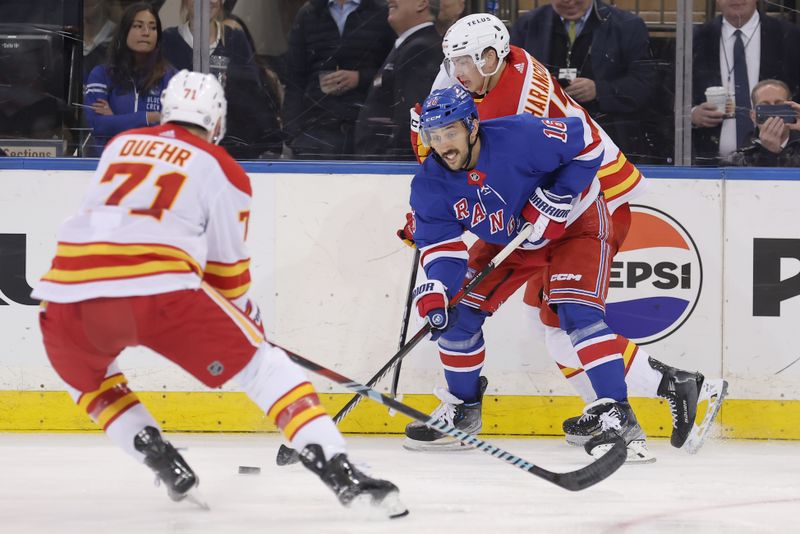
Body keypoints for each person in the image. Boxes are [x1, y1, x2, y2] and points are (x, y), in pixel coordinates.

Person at [31, 70, 407, 519]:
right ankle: (340, 469)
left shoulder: (118, 147)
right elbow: (228, 275)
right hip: (158, 290)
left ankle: (161, 459)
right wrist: (252, 335)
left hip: (65, 299)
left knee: (93, 383)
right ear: (217, 120)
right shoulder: (221, 167)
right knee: (265, 369)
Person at [401, 14, 726, 461]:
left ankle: (624, 405)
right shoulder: (484, 70)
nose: (456, 72)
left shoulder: (513, 116)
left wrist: (558, 196)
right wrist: (432, 223)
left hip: (585, 200)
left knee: (569, 317)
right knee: (534, 323)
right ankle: (663, 389)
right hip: (520, 211)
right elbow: (441, 138)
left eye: (464, 63)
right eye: (452, 62)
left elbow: (576, 147)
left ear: (490, 58)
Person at [404, 83, 651, 461]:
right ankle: (463, 410)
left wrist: (560, 193)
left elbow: (587, 141)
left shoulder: (520, 135)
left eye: (450, 132)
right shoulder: (429, 184)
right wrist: (438, 289)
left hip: (574, 223)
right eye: (433, 136)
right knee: (458, 315)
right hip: (514, 239)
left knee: (576, 311)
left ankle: (619, 416)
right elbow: (444, 250)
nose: (442, 145)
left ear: (472, 127)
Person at [510, 0, 659, 160]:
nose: (570, 2)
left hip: (609, 142)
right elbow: (508, 81)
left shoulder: (628, 26)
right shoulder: (527, 25)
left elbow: (644, 84)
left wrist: (599, 90)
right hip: (542, 140)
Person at [161, 0, 283, 158]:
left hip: (232, 150)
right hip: (180, 149)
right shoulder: (169, 40)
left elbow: (254, 99)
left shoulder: (236, 39)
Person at [282, 0, 395, 158]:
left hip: (367, 132)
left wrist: (360, 78)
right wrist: (294, 135)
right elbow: (294, 79)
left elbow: (395, 71)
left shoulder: (381, 11)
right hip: (316, 134)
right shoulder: (308, 13)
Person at [691, 0, 800, 163]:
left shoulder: (790, 36)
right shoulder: (696, 38)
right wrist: (692, 114)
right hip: (707, 164)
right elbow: (668, 93)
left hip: (777, 163)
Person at [84, 2, 176, 157]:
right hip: (106, 164)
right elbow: (97, 125)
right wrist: (150, 117)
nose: (146, 32)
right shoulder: (101, 74)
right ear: (124, 31)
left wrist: (115, 121)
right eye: (138, 26)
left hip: (154, 164)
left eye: (153, 27)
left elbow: (172, 129)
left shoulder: (171, 77)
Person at [355, 0, 444, 158]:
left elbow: (410, 119)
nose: (389, 0)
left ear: (421, 3)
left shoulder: (420, 49)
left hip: (390, 170)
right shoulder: (409, 45)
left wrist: (390, 165)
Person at [723, 78, 800, 166]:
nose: (773, 114)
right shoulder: (739, 158)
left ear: (792, 110)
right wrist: (767, 154)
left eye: (779, 105)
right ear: (753, 116)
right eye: (765, 107)